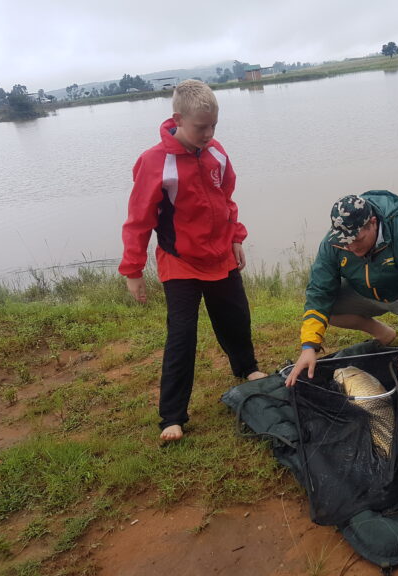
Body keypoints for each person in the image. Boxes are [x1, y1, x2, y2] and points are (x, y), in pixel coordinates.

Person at [119, 79, 266, 442]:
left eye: (214, 125)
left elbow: (227, 198)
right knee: (182, 335)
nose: (209, 133)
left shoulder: (216, 153)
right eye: (202, 127)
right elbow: (139, 218)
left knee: (235, 317)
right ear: (178, 119)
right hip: (180, 261)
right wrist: (133, 270)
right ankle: (172, 416)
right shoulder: (155, 163)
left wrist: (236, 238)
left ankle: (246, 368)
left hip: (220, 256)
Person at [284, 190, 398, 387]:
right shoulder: (333, 242)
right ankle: (383, 333)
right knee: (328, 310)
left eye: (357, 239)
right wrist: (309, 346)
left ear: (372, 222)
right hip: (365, 293)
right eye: (345, 242)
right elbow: (319, 294)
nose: (351, 247)